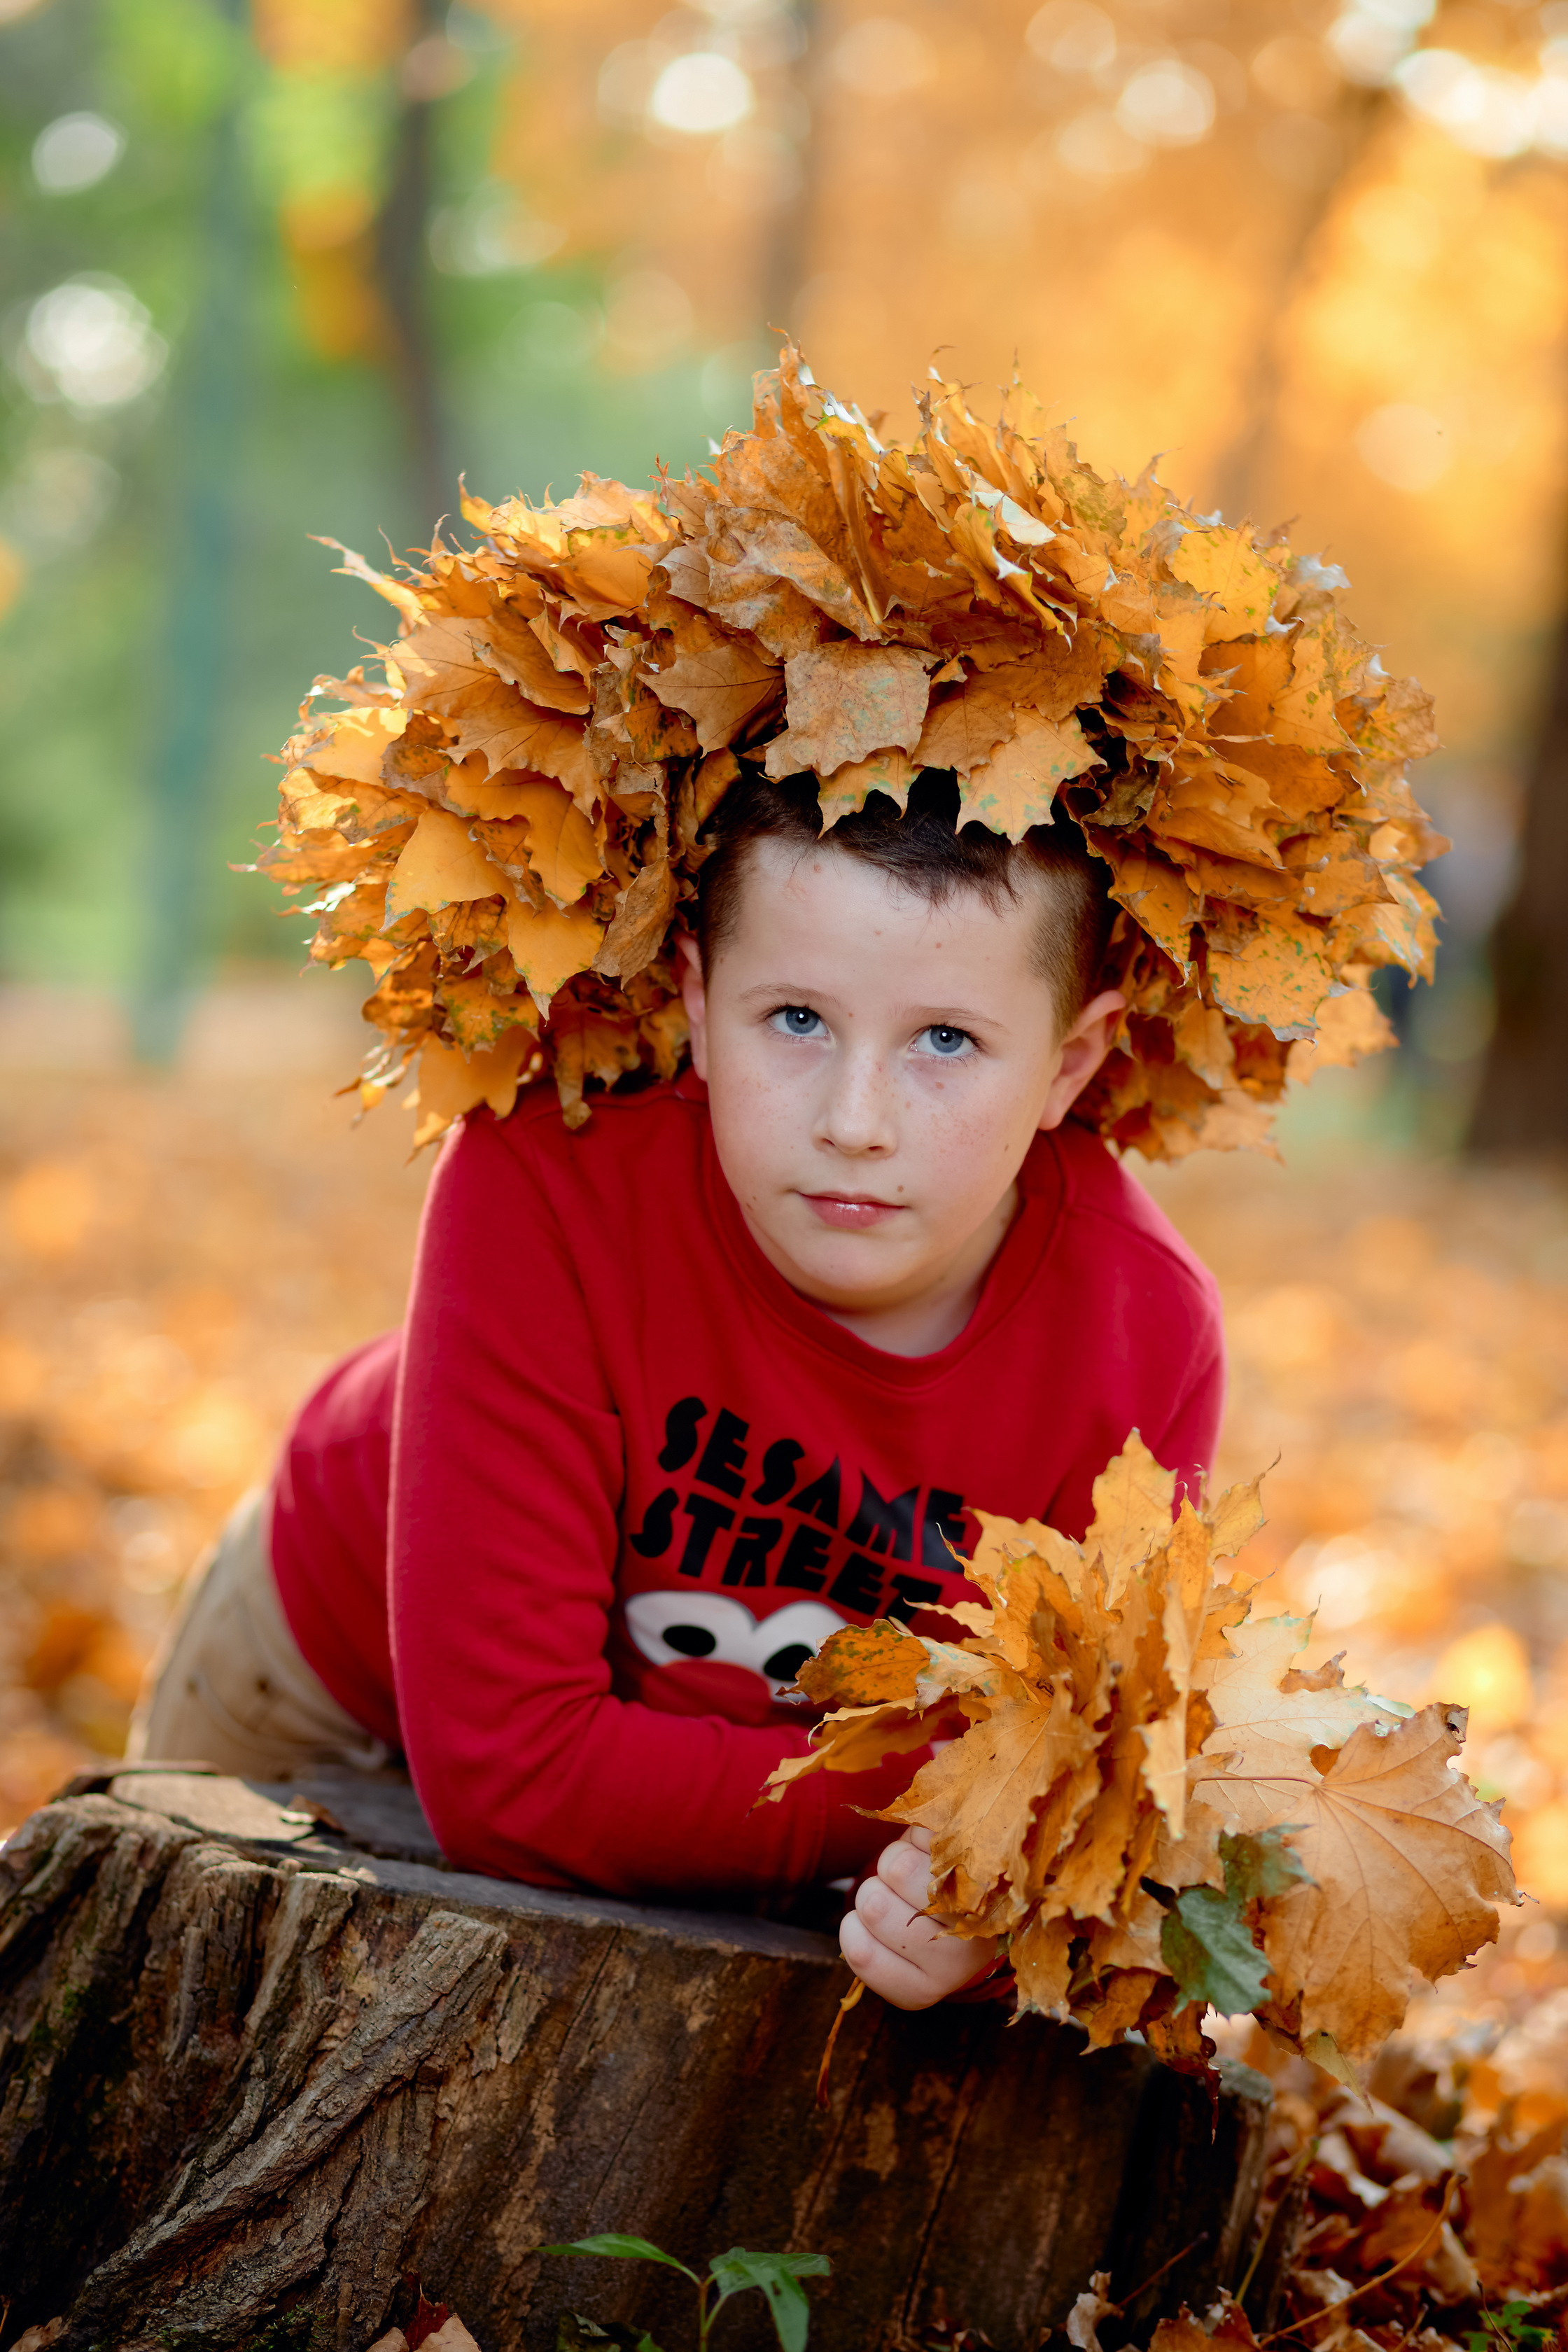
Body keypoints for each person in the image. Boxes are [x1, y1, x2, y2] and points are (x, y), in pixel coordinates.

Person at [131, 769, 1224, 2011]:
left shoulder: (1143, 1334)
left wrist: (981, 1898)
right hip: (324, 1675)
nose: (855, 1121)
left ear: (1070, 1064)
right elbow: (514, 1777)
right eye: (797, 1020)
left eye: (947, 1041)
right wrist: (932, 1815)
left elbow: (1072, 1811)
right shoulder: (548, 1175)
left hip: (710, 1784)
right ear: (700, 1003)